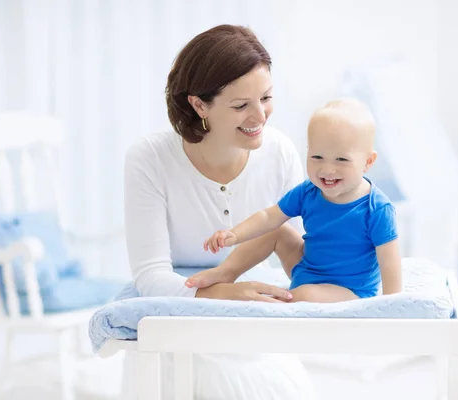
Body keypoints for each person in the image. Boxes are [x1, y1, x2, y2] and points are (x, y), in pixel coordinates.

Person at [122, 24, 314, 399]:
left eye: (267, 97)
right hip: (180, 315)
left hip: (258, 320)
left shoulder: (279, 153)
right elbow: (150, 277)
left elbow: (300, 251)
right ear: (199, 105)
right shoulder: (150, 160)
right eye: (241, 105)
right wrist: (227, 293)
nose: (260, 116)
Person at [201, 98, 403, 302]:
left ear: (368, 162)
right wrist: (234, 235)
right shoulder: (309, 191)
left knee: (302, 295)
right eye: (317, 157)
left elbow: (390, 263)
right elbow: (267, 216)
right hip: (306, 269)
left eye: (341, 159)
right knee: (277, 229)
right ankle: (226, 272)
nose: (327, 169)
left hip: (348, 291)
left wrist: (392, 306)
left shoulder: (376, 208)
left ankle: (286, 299)